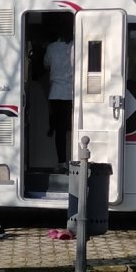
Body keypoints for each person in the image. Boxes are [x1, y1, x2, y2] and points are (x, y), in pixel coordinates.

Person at [43, 31, 73, 171]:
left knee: (60, 132)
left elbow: (46, 64)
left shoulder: (52, 47)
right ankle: (75, 160)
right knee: (72, 129)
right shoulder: (75, 46)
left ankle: (62, 162)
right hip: (72, 94)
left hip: (56, 93)